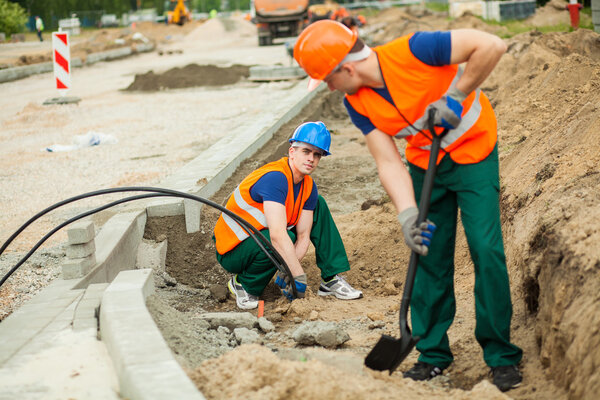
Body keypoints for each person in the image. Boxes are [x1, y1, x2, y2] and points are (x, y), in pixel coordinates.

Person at [293, 21, 523, 392]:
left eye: (329, 79)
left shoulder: (417, 50)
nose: (330, 87)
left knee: (485, 248)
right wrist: (407, 213)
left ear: (347, 68)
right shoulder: (356, 102)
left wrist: (456, 95)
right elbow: (387, 161)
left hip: (474, 153)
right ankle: (432, 354)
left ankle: (501, 356)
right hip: (425, 164)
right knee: (427, 252)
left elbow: (492, 44)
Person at [213, 121, 362, 310]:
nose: (311, 158)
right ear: (292, 151)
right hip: (232, 249)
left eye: (317, 154)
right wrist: (297, 274)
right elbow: (277, 235)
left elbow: (303, 236)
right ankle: (243, 284)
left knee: (318, 204)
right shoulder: (275, 178)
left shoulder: (308, 186)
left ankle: (331, 279)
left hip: (257, 239)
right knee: (281, 238)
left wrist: (289, 270)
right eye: (306, 152)